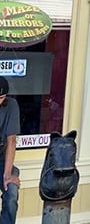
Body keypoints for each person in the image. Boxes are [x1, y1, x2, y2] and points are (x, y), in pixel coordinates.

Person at [0, 76, 20, 224]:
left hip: (2, 162)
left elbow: (11, 140)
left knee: (11, 192)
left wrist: (7, 175)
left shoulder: (12, 105)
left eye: (1, 98)